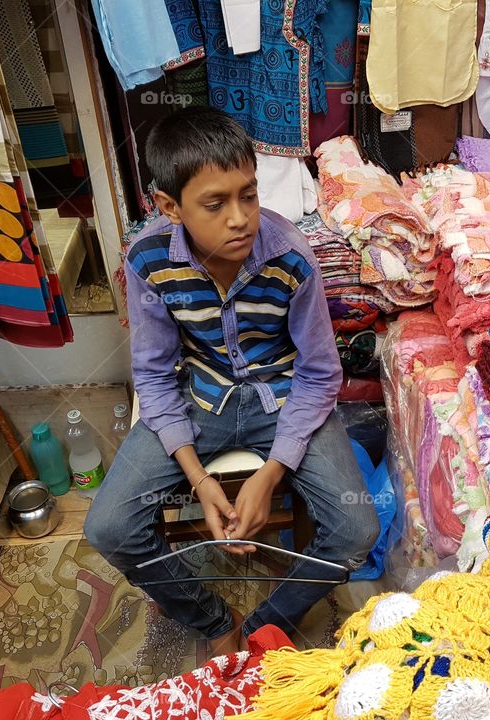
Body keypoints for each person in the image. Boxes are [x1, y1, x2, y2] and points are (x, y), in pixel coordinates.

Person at [84, 107, 377, 655]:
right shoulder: (148, 260)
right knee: (108, 529)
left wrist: (270, 475)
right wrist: (199, 480)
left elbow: (319, 373)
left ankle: (268, 623)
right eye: (215, 204)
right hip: (200, 398)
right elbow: (152, 372)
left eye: (248, 194)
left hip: (287, 398)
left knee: (357, 531)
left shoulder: (290, 255)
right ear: (170, 207)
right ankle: (214, 620)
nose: (240, 218)